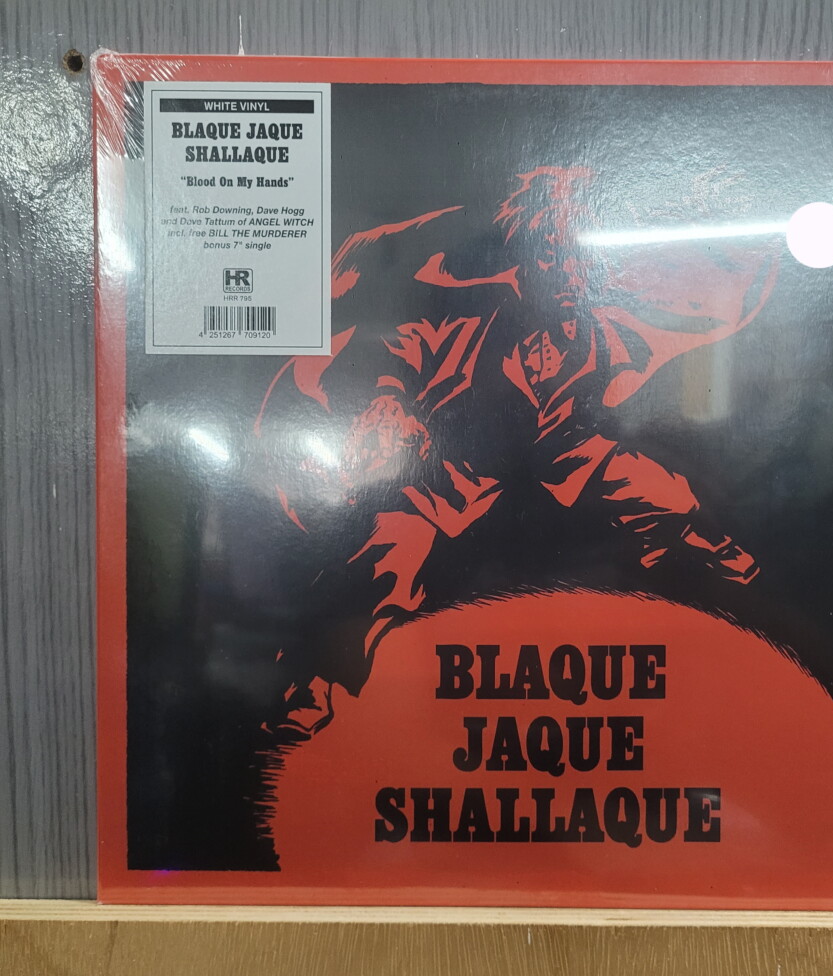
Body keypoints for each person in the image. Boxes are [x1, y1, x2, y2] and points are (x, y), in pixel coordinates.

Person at [255, 165, 780, 741]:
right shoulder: (470, 311)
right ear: (526, 258)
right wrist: (388, 400)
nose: (566, 275)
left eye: (575, 261)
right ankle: (311, 695)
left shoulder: (602, 335)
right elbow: (400, 346)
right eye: (550, 258)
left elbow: (580, 427)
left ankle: (720, 605)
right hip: (438, 480)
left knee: (665, 500)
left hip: (548, 470)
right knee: (389, 563)